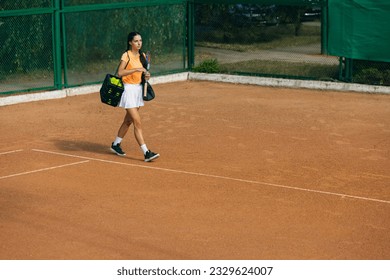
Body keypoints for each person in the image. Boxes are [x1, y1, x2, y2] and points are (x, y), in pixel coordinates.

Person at [110, 31, 159, 162]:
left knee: (128, 121)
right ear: (130, 42)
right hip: (128, 91)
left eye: (140, 41)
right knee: (137, 122)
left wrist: (146, 75)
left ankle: (115, 144)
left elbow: (144, 74)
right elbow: (120, 72)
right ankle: (146, 152)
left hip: (138, 91)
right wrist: (136, 69)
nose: (139, 43)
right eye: (136, 41)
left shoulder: (143, 56)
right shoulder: (126, 55)